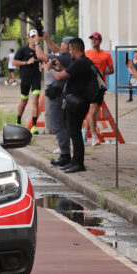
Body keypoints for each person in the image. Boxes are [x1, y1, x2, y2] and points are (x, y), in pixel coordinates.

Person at [49, 38, 93, 173]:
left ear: (75, 49)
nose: (70, 52)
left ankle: (79, 163)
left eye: (71, 50)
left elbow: (60, 77)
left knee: (75, 133)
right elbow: (68, 73)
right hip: (80, 101)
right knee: (73, 132)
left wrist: (49, 68)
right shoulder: (84, 62)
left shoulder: (80, 62)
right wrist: (59, 68)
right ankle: (75, 161)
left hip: (77, 102)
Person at [35, 32, 73, 167]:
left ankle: (64, 154)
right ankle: (65, 150)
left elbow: (41, 56)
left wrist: (36, 42)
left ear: (68, 46)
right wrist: (46, 38)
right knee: (65, 124)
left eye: (63, 43)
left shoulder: (65, 57)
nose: (60, 45)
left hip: (57, 95)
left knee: (57, 125)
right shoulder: (68, 57)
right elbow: (56, 51)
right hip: (64, 94)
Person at [85, 32, 114, 146]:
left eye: (96, 39)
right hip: (89, 86)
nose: (93, 41)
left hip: (100, 86)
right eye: (92, 39)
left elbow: (112, 70)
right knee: (92, 111)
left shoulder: (106, 55)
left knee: (94, 112)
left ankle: (84, 133)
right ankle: (94, 136)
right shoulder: (87, 54)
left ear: (100, 41)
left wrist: (104, 72)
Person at [12, 29, 43, 133]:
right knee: (24, 101)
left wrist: (42, 67)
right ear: (28, 38)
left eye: (36, 36)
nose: (34, 38)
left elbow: (43, 61)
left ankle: (34, 127)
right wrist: (26, 62)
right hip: (25, 78)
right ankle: (18, 121)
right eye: (32, 36)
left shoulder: (39, 49)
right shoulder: (22, 49)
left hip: (36, 78)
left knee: (35, 100)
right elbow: (14, 62)